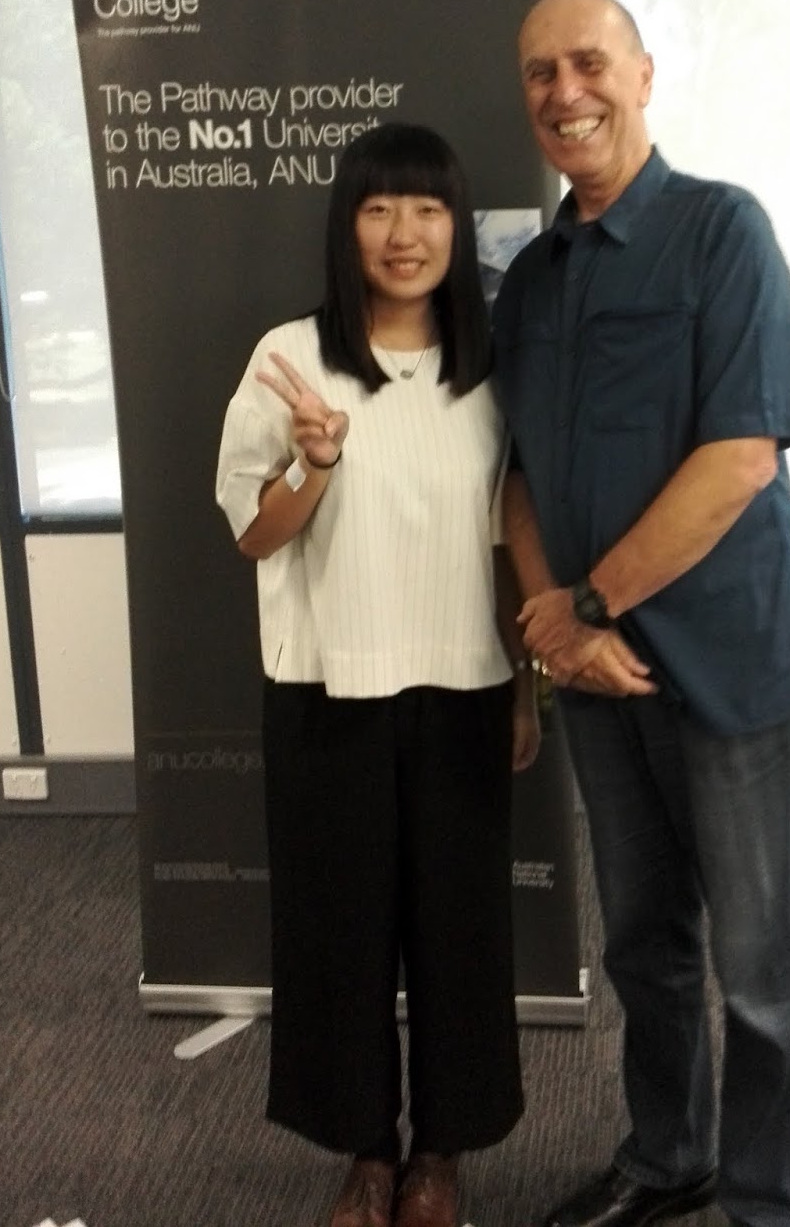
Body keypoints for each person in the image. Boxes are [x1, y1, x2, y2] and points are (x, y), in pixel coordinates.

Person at [492, 0, 790, 1227]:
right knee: (642, 941)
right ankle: (669, 1154)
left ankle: (764, 1201)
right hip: (596, 675)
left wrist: (585, 607)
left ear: (642, 75)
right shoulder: (530, 281)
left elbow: (740, 458)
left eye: (588, 62)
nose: (565, 91)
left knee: (758, 969)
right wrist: (551, 612)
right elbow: (517, 470)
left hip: (727, 664)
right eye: (540, 73)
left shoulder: (723, 230)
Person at [216, 121, 539, 1227]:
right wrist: (314, 462)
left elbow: (508, 535)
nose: (405, 233)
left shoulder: (488, 369)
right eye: (379, 207)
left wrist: (525, 684)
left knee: (460, 930)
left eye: (429, 208)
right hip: (327, 689)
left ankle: (439, 1156)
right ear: (346, 225)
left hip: (464, 684)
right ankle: (365, 1153)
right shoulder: (291, 357)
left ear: (457, 225)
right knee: (337, 931)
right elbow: (253, 534)